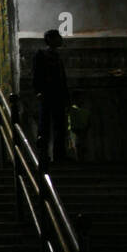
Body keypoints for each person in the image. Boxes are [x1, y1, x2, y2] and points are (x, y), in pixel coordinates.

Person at [32, 28, 71, 164]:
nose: (60, 39)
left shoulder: (57, 56)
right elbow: (37, 75)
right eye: (57, 37)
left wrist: (66, 96)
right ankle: (43, 155)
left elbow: (62, 78)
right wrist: (38, 91)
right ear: (50, 39)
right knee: (45, 126)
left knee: (59, 125)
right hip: (47, 95)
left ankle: (59, 155)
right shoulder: (41, 54)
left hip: (58, 95)